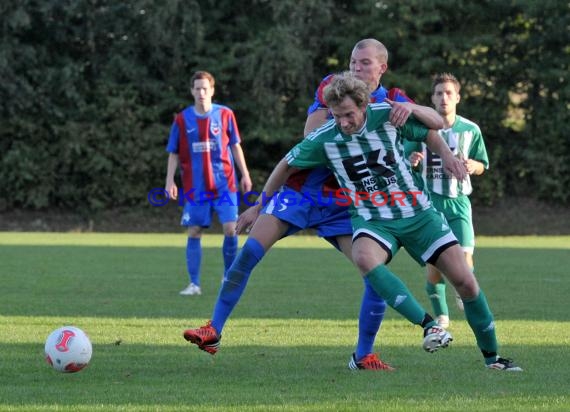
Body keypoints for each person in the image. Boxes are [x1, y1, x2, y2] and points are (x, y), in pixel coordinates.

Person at [182, 39, 444, 371]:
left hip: (344, 202)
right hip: (302, 191)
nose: (356, 68)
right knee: (250, 252)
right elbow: (310, 137)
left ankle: (363, 356)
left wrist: (446, 156)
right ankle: (213, 330)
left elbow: (431, 127)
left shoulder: (392, 102)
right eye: (352, 61)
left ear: (382, 68)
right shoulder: (332, 89)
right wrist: (259, 205)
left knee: (374, 272)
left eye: (364, 62)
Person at [236, 72, 521, 371]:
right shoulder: (326, 137)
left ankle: (493, 359)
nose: (343, 122)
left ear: (363, 105)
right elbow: (286, 165)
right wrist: (258, 206)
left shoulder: (386, 115)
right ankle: (428, 324)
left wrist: (438, 143)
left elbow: (433, 127)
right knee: (364, 257)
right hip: (372, 219)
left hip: (417, 213)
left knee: (466, 282)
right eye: (336, 116)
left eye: (348, 115)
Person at [405, 73, 489, 328]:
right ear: (432, 98)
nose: (444, 98)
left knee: (465, 257)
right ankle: (441, 316)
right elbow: (405, 161)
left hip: (458, 202)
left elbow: (482, 164)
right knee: (434, 265)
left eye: (449, 93)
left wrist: (474, 165)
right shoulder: (420, 128)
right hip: (429, 204)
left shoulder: (470, 129)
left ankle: (460, 288)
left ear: (458, 98)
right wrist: (413, 161)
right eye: (439, 93)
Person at [165, 70, 252, 296]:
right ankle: (194, 284)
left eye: (205, 88)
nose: (201, 92)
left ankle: (228, 277)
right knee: (194, 231)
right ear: (192, 91)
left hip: (225, 184)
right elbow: (173, 152)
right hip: (196, 187)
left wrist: (245, 174)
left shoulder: (225, 115)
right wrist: (169, 181)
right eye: (197, 88)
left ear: (212, 90)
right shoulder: (183, 119)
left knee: (231, 229)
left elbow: (235, 145)